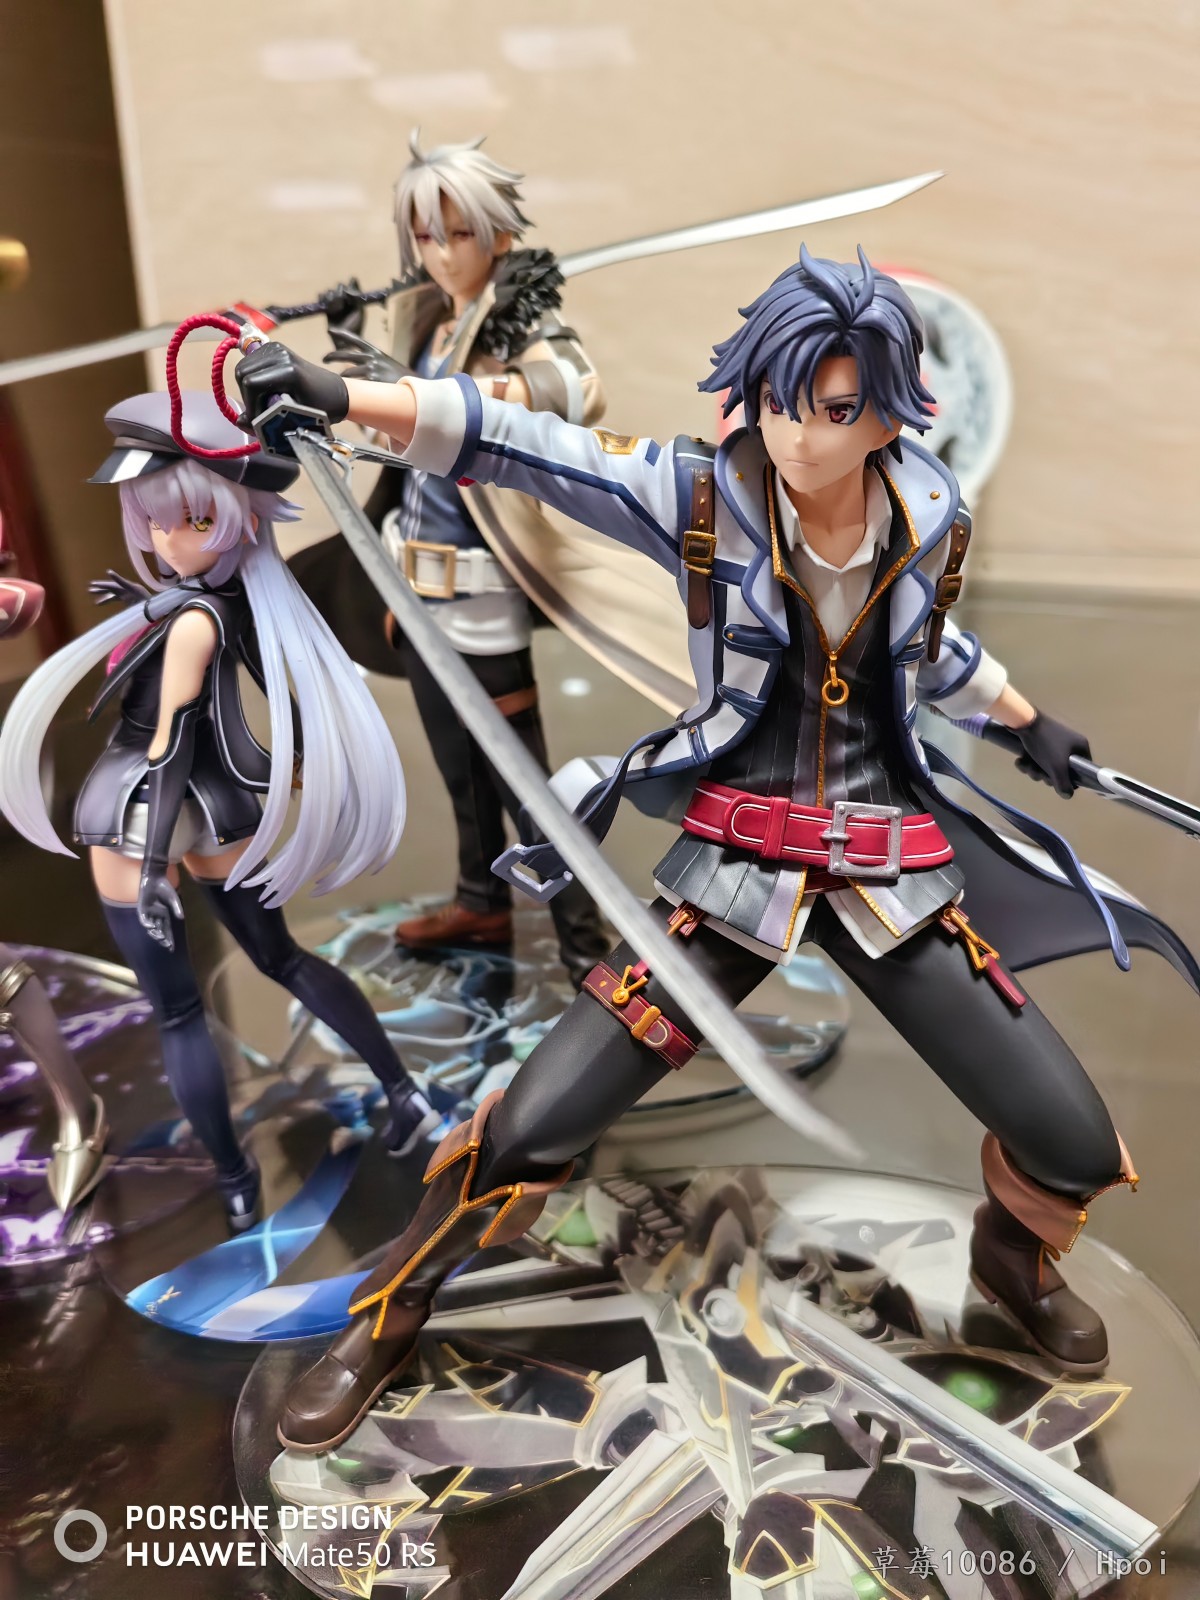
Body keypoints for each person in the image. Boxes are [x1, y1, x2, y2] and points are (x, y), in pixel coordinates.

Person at [235, 246, 1195, 1451]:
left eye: (833, 410)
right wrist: (346, 397)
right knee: (534, 1123)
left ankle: (1011, 1259)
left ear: (890, 408)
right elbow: (520, 441)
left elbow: (931, 648)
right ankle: (389, 1312)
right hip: (735, 875)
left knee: (1070, 1138)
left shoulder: (928, 511)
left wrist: (1024, 719)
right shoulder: (701, 494)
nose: (798, 435)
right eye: (780, 403)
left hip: (887, 872)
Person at [0, 392, 437, 1233]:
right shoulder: (214, 603)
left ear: (240, 518)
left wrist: (152, 862)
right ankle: (402, 1091)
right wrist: (142, 605)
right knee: (282, 959)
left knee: (178, 1011)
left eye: (194, 521)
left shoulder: (196, 621)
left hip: (141, 806)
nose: (170, 540)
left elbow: (166, 743)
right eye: (157, 522)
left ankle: (236, 1177)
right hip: (217, 806)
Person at [293, 133, 691, 985]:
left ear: (498, 233)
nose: (441, 255)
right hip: (413, 589)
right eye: (425, 237)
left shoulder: (518, 318)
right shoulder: (429, 323)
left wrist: (437, 398)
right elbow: (396, 442)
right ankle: (480, 901)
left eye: (458, 234)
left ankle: (587, 942)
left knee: (528, 790)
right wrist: (353, 346)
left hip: (481, 599)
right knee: (461, 774)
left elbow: (577, 392)